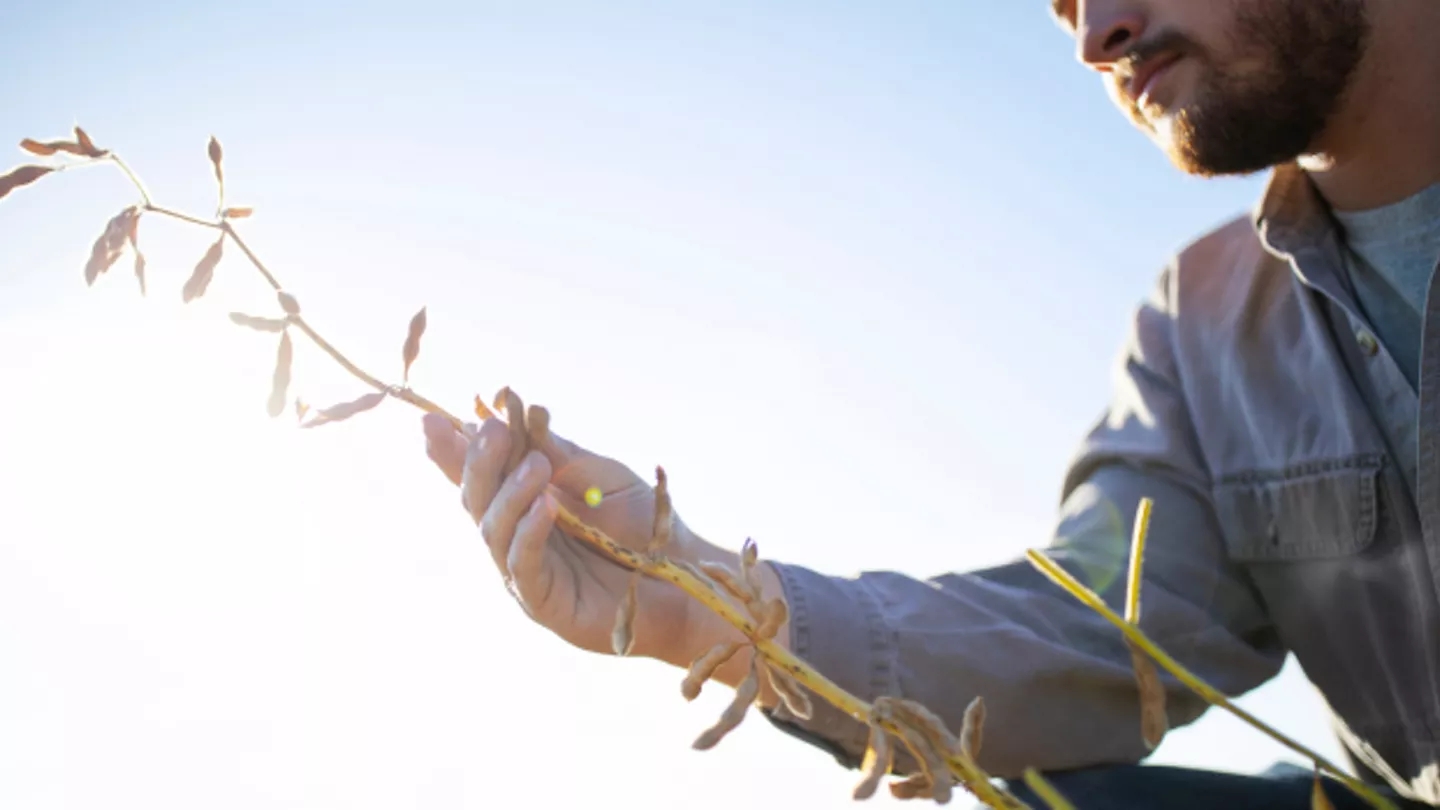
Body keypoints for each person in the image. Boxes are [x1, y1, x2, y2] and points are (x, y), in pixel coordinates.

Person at [420, 1, 1440, 807]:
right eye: (1061, 4)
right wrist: (701, 603)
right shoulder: (1202, 326)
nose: (1094, 35)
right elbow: (1096, 638)